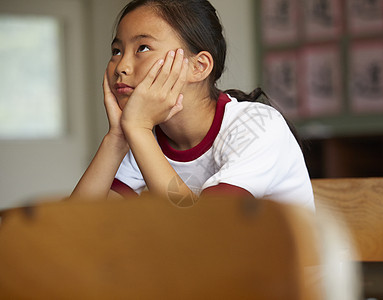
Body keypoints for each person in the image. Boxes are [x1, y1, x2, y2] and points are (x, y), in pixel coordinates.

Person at [71, 0, 314, 210]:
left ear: (199, 67)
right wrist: (116, 137)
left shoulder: (259, 125)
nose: (121, 66)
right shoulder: (142, 136)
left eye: (143, 48)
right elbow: (73, 230)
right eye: (116, 50)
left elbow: (203, 228)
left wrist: (138, 129)